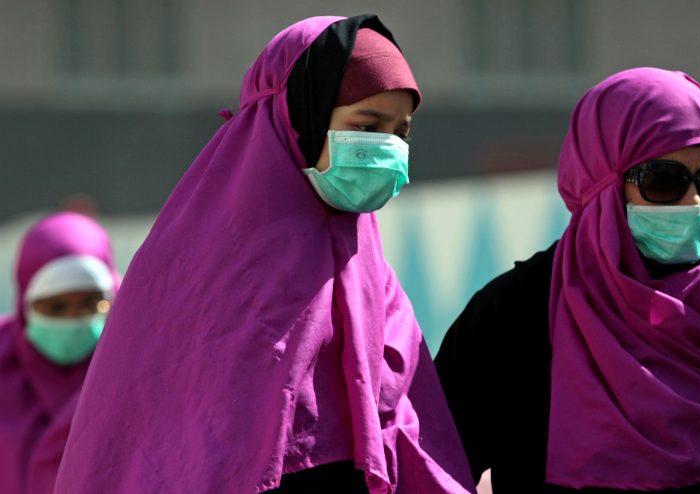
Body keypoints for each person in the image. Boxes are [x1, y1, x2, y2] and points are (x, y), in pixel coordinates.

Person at [53, 15, 474, 494]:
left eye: (401, 132)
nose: (388, 148)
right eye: (367, 124)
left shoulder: (375, 280)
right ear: (301, 117)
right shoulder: (195, 273)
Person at [435, 67, 700, 493]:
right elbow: (430, 467)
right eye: (663, 180)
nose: (695, 201)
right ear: (600, 181)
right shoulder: (515, 315)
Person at [0, 212, 120, 494]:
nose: (75, 319)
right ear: (25, 304)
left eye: (92, 304)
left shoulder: (143, 368)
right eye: (55, 308)